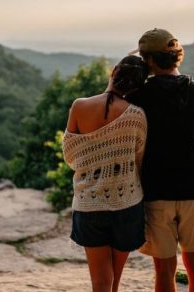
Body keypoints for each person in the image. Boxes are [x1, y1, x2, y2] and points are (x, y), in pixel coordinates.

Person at [126, 28, 194, 292]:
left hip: (156, 191)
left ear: (149, 61)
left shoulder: (136, 97)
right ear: (177, 56)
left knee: (164, 270)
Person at [62, 55, 150, 292]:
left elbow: (71, 157)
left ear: (113, 71)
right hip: (127, 203)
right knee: (114, 283)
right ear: (137, 86)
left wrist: (94, 154)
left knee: (100, 283)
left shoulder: (79, 106)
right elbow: (139, 162)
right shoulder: (137, 115)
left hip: (90, 205)